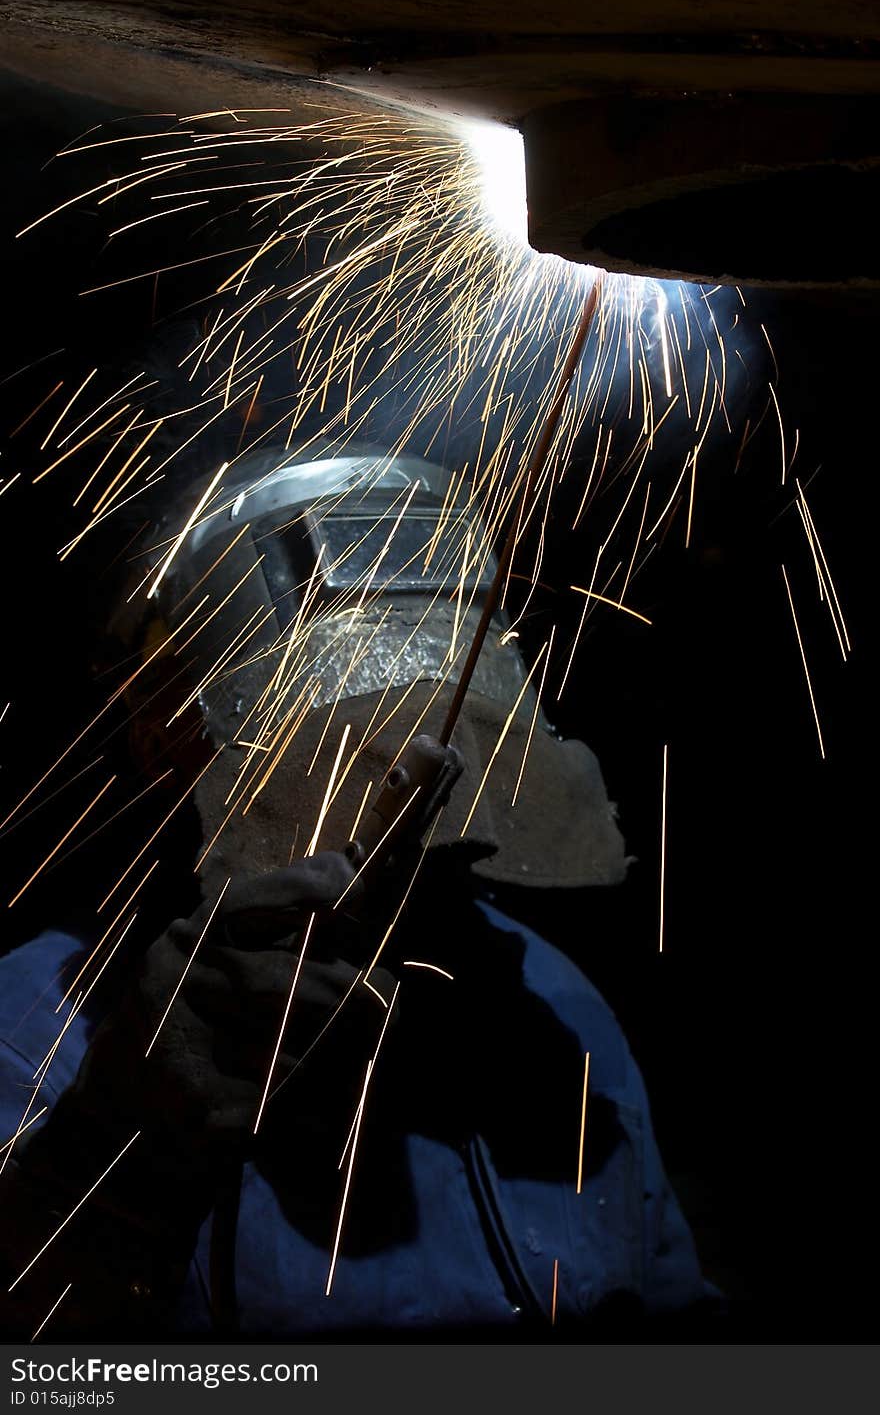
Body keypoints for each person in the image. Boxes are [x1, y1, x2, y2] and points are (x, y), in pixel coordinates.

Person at [0, 442, 716, 1339]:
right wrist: (112, 1154)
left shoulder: (553, 996)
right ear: (161, 734)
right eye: (337, 744)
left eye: (415, 723)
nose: (393, 777)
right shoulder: (35, 1028)